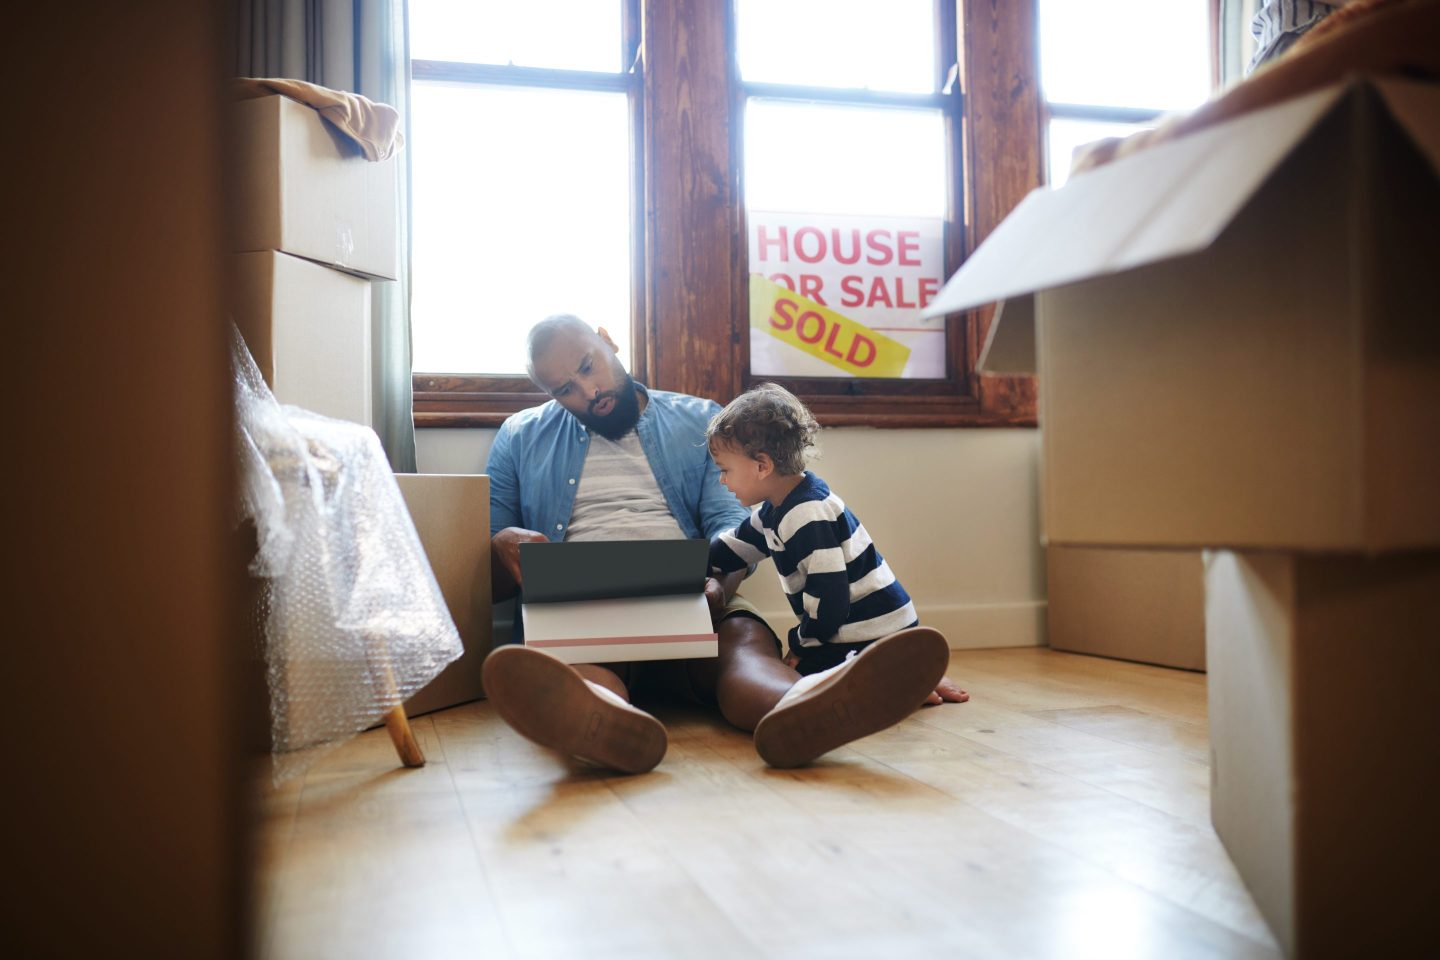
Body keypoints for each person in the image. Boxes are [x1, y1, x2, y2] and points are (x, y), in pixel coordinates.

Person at [481, 315, 966, 774]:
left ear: (608, 340)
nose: (589, 391)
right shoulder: (519, 436)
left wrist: (717, 584)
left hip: (695, 602)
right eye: (564, 389)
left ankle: (806, 706)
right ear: (546, 393)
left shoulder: (700, 421)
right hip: (583, 618)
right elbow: (490, 569)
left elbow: (734, 525)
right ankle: (607, 726)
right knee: (572, 675)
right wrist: (502, 543)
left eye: (589, 366)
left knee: (744, 650)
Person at [706, 383, 967, 767]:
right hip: (850, 626)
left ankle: (898, 680)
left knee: (797, 675)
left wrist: (800, 642)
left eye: (726, 470)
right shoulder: (773, 510)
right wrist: (683, 564)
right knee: (798, 674)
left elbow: (830, 601)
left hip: (868, 629)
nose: (722, 481)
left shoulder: (808, 514)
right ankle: (906, 679)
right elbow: (730, 550)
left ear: (762, 466)